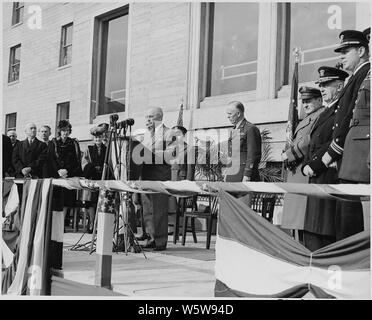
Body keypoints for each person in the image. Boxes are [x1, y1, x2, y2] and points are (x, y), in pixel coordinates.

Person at [321, 30, 370, 241]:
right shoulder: (357, 76)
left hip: (358, 156)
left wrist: (333, 152)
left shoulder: (365, 73)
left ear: (361, 51)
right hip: (349, 155)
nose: (341, 56)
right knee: (345, 223)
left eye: (345, 51)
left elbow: (351, 116)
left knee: (351, 225)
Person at [301, 66, 349, 251]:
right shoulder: (325, 112)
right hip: (315, 176)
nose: (322, 88)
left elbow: (332, 142)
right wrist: (306, 164)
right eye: (321, 84)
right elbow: (312, 143)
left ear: (339, 86)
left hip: (327, 174)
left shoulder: (340, 111)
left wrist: (314, 165)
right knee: (313, 233)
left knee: (325, 233)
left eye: (327, 84)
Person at [280, 87, 324, 239]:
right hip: (296, 171)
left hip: (304, 170)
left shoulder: (320, 115)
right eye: (303, 101)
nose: (305, 105)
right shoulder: (307, 118)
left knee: (302, 218)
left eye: (309, 101)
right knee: (296, 220)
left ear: (319, 100)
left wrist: (289, 154)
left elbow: (309, 140)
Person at [136, 107, 172, 251]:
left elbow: (171, 154)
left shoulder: (169, 133)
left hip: (159, 177)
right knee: (148, 210)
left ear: (159, 118)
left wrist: (150, 153)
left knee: (159, 210)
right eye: (146, 117)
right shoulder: (145, 136)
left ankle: (160, 241)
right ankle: (151, 237)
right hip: (146, 176)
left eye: (150, 117)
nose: (147, 120)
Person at [47, 120, 83, 226]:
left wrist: (67, 170)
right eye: (63, 130)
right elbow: (51, 159)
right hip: (56, 174)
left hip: (69, 174)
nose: (65, 132)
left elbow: (76, 160)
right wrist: (58, 171)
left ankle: (62, 222)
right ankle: (55, 223)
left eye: (67, 130)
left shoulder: (73, 143)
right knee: (56, 198)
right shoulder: (53, 142)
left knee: (67, 199)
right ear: (59, 131)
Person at [224, 101, 261, 182]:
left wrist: (247, 175)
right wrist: (227, 172)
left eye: (230, 114)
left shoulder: (250, 128)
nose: (228, 117)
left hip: (243, 174)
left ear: (238, 114)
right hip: (232, 173)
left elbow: (253, 155)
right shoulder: (234, 130)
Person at [81, 126, 107, 233]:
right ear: (93, 139)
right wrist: (90, 168)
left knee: (101, 202)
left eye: (99, 138)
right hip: (92, 178)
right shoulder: (89, 149)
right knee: (91, 202)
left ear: (102, 138)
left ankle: (100, 225)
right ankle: (92, 223)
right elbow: (84, 163)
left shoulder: (107, 149)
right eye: (96, 138)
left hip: (103, 178)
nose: (97, 140)